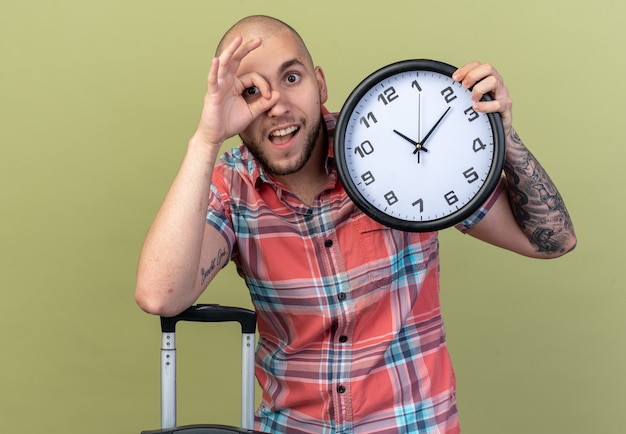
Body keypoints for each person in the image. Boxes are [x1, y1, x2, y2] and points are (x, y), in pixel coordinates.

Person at [135, 15, 576, 434]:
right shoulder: (233, 187)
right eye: (251, 91)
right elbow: (161, 295)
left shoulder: (395, 151)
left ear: (320, 83)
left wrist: (505, 136)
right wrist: (207, 138)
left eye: (292, 78)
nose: (276, 106)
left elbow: (552, 241)